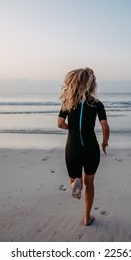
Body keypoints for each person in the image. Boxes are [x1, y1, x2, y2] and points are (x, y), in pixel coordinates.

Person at [57, 67, 110, 226]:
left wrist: (71, 129)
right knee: (90, 183)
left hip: (72, 148)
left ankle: (74, 184)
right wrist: (104, 142)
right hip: (91, 148)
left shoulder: (68, 102)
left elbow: (59, 123)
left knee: (75, 179)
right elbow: (105, 126)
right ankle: (87, 218)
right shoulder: (96, 103)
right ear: (90, 84)